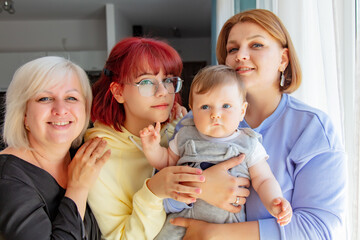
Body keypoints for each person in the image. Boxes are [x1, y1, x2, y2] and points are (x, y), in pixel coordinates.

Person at [169, 9, 346, 240]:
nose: (240, 55)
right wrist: (200, 187)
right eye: (232, 49)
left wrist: (214, 233)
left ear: (283, 59)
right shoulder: (195, 122)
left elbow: (318, 229)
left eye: (256, 45)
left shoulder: (312, 129)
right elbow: (159, 197)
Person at [140, 65, 292, 239]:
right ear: (193, 110)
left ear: (242, 111)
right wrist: (152, 148)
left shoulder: (248, 143)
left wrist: (274, 201)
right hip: (180, 222)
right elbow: (165, 163)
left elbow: (264, 179)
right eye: (205, 107)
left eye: (226, 106)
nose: (215, 114)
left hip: (225, 225)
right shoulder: (185, 135)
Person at [84, 37, 205, 240]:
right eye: (146, 82)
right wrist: (153, 192)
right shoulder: (99, 157)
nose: (163, 92)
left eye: (168, 80)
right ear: (118, 91)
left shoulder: (180, 128)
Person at [0, 56, 111, 240]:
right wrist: (78, 189)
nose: (60, 109)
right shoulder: (8, 177)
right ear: (24, 114)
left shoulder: (86, 155)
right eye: (44, 98)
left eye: (71, 97)